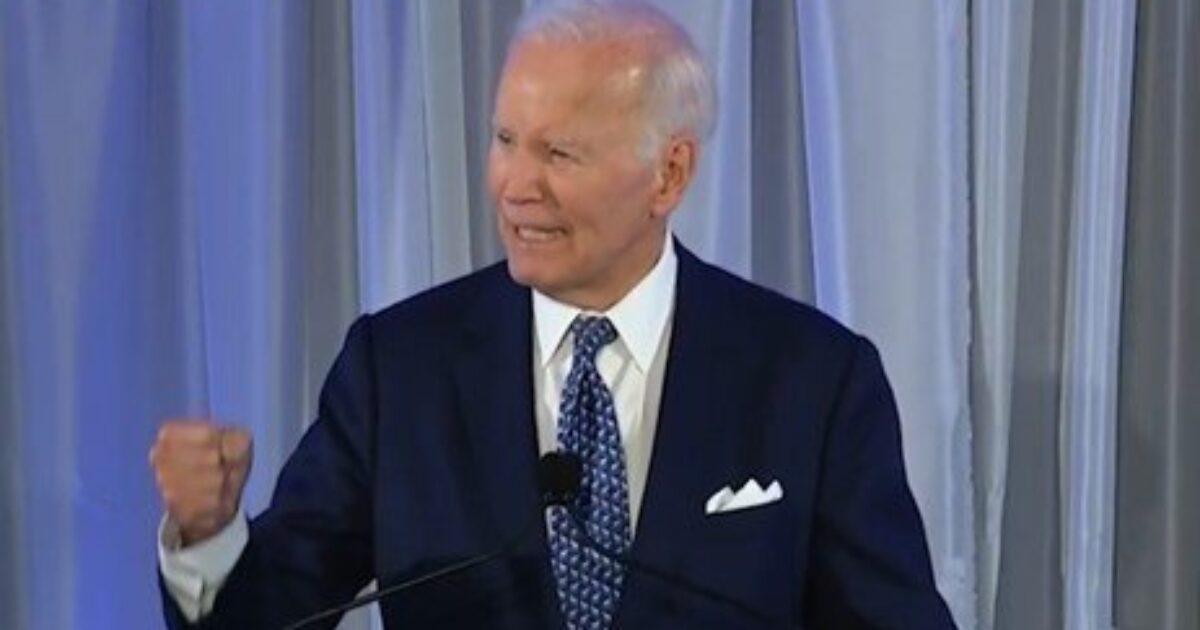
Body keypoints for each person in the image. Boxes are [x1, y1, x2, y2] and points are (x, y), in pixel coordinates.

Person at [150, 1, 956, 628]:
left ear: (668, 175)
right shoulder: (399, 369)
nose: (515, 185)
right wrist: (210, 533)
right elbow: (273, 616)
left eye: (559, 154)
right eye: (506, 140)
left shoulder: (811, 378)